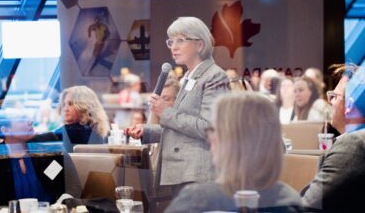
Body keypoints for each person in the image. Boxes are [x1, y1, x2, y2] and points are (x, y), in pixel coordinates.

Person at [128, 17, 230, 196]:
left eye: (180, 40)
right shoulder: (189, 76)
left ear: (199, 44)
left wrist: (165, 112)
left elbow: (209, 128)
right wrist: (148, 131)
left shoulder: (214, 76)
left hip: (200, 174)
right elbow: (182, 129)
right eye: (171, 41)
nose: (173, 47)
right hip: (184, 171)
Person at [165, 92, 303, 212]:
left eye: (213, 129)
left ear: (230, 141)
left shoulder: (197, 200)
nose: (210, 137)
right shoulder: (291, 199)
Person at [301, 64, 365, 212]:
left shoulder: (353, 144)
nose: (330, 101)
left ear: (349, 104)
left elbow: (307, 206)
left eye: (334, 97)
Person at [0, 117, 82, 206]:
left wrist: (62, 205)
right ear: (5, 130)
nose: (30, 122)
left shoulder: (49, 144)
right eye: (22, 120)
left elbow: (73, 185)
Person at [57, 86, 110, 153]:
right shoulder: (96, 128)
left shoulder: (75, 130)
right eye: (64, 104)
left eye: (70, 104)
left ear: (84, 107)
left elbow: (51, 137)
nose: (65, 109)